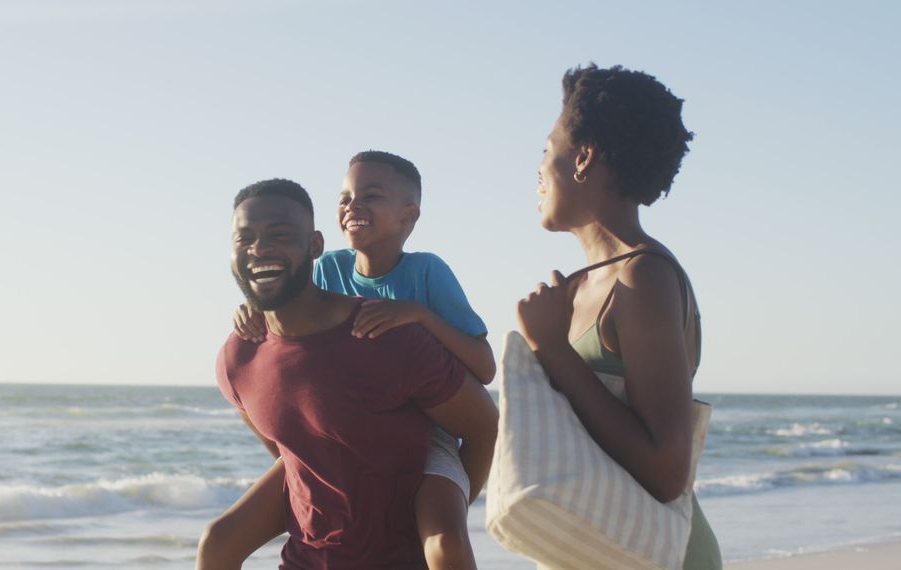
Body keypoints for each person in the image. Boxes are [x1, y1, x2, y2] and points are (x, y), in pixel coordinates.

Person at [200, 179, 498, 569]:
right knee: (215, 544)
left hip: (401, 549)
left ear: (314, 245)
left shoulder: (389, 335)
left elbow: (484, 426)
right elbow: (288, 449)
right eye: (245, 238)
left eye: (280, 235)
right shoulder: (237, 359)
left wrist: (449, 503)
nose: (259, 249)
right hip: (306, 559)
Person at [515, 64, 722, 569]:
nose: (537, 169)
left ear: (582, 158)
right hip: (598, 549)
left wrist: (555, 351)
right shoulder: (588, 285)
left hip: (654, 555)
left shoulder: (642, 278)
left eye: (547, 149)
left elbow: (666, 469)